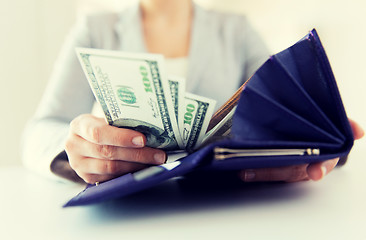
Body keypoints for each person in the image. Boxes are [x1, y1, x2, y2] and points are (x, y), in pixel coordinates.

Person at [21, 0, 364, 184]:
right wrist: (79, 154)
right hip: (133, 216)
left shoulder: (237, 30)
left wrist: (324, 136)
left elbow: (284, 102)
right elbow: (40, 129)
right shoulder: (94, 30)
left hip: (232, 210)